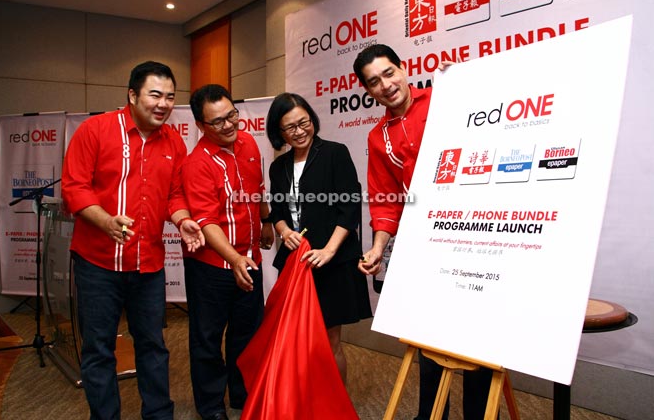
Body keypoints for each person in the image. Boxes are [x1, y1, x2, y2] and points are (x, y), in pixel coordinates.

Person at [353, 44, 494, 420]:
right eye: (373, 82)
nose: (385, 85)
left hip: (475, 233)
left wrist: (470, 82)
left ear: (402, 67)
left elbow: (494, 118)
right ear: (368, 92)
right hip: (425, 240)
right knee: (428, 335)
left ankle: (482, 415)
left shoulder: (447, 95)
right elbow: (385, 201)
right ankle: (432, 414)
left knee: (476, 334)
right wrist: (378, 248)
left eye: (388, 73)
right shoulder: (377, 136)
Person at [61, 60, 205, 420]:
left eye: (170, 97)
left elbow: (175, 194)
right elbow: (74, 188)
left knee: (153, 346)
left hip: (149, 264)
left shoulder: (174, 142)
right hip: (97, 264)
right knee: (98, 349)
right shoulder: (95, 130)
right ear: (132, 95)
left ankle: (159, 414)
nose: (163, 104)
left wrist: (183, 219)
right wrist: (106, 221)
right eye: (155, 95)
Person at [265, 92, 373, 385]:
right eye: (291, 127)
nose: (300, 131)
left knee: (329, 339)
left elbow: (349, 209)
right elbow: (277, 210)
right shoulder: (279, 166)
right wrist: (284, 231)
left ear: (313, 120)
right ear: (279, 131)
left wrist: (328, 250)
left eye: (304, 122)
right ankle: (307, 398)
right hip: (296, 264)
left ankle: (334, 406)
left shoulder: (335, 153)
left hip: (331, 262)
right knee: (296, 338)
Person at [181, 84, 274, 420]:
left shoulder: (248, 143)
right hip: (213, 266)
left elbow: (257, 188)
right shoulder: (196, 163)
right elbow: (206, 222)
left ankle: (241, 394)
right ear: (201, 126)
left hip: (250, 259)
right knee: (207, 339)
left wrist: (266, 221)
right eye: (217, 121)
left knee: (247, 334)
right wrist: (233, 259)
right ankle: (210, 407)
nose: (228, 125)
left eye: (231, 115)